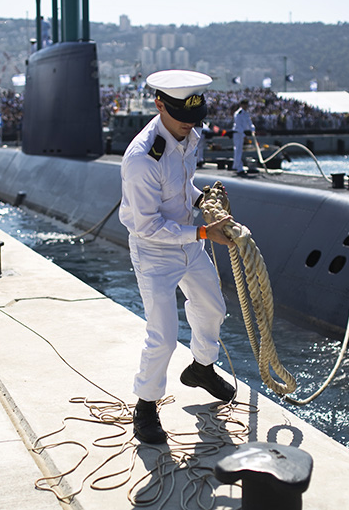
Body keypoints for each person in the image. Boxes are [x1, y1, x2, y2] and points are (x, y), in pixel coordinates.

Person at [119, 69, 236, 445]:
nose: (189, 125)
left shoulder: (189, 133)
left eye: (194, 119)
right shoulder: (141, 157)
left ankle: (202, 368)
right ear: (159, 104)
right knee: (164, 336)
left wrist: (202, 200)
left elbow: (179, 182)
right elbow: (147, 225)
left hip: (188, 242)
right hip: (155, 252)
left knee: (212, 308)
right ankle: (146, 405)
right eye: (182, 118)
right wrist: (204, 231)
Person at [231, 100, 254, 176]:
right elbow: (238, 126)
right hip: (238, 133)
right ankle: (239, 168)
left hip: (242, 133)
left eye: (246, 105)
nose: (246, 106)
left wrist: (253, 130)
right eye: (244, 105)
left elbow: (249, 123)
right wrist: (244, 137)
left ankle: (236, 166)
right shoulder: (238, 114)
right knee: (238, 150)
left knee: (239, 150)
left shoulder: (246, 114)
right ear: (241, 105)